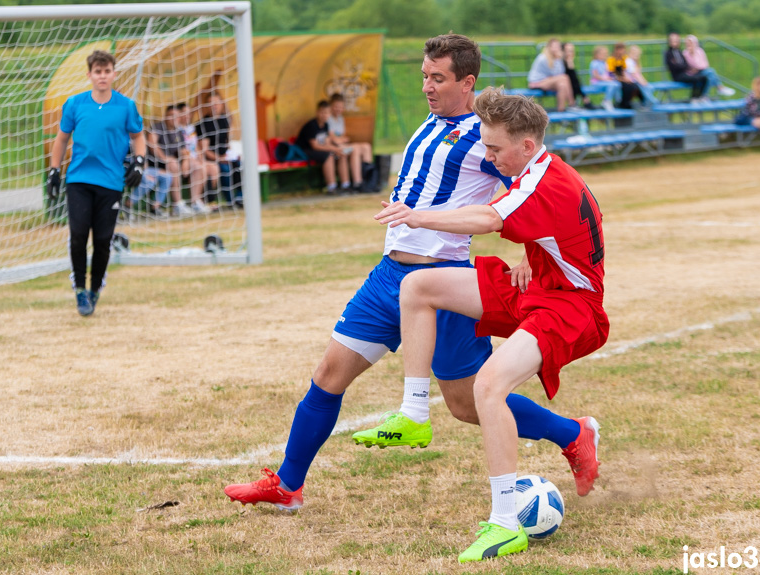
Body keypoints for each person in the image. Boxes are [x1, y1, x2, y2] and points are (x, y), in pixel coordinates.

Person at [223, 35, 587, 517]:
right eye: (424, 76)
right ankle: (288, 485)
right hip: (388, 276)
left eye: (438, 78)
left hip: (442, 285)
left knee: (464, 402)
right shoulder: (430, 121)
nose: (428, 86)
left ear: (467, 82)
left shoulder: (486, 135)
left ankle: (574, 434)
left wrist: (530, 254)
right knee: (329, 374)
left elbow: (528, 191)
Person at [372, 87, 608, 563]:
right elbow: (545, 223)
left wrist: (416, 217)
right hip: (540, 286)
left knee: (488, 385)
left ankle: (504, 523)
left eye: (494, 147)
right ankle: (415, 413)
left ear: (525, 145)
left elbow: (486, 217)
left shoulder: (546, 184)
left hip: (572, 309)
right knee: (418, 287)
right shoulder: (537, 168)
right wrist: (530, 252)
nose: (487, 154)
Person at [47, 49, 145, 316]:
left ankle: (95, 289)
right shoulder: (75, 104)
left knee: (102, 240)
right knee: (78, 236)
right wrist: (54, 170)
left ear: (114, 73)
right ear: (89, 75)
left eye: (107, 71)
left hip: (111, 182)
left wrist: (139, 161)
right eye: (97, 72)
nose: (102, 76)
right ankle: (80, 289)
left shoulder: (125, 106)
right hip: (79, 179)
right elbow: (61, 139)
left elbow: (138, 136)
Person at [296, 100, 362, 194]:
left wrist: (337, 150)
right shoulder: (311, 125)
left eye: (327, 113)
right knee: (329, 156)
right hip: (305, 151)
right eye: (322, 112)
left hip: (319, 150)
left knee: (341, 154)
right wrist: (334, 149)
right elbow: (315, 146)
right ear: (317, 112)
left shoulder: (326, 125)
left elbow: (326, 143)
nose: (324, 115)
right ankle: (331, 187)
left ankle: (345, 185)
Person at [197, 91, 242, 206]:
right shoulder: (203, 124)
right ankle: (229, 200)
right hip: (212, 158)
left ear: (221, 104)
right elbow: (204, 150)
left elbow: (227, 142)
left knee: (239, 165)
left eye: (216, 103)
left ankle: (240, 197)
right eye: (211, 103)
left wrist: (232, 154)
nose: (214, 106)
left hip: (225, 155)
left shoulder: (225, 120)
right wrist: (219, 158)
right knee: (225, 169)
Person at [148, 105, 194, 218]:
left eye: (176, 116)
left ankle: (196, 202)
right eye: (171, 115)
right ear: (165, 116)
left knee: (198, 165)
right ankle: (178, 204)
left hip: (173, 162)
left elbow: (184, 150)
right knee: (173, 164)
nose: (174, 118)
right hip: (155, 162)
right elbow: (152, 144)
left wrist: (186, 161)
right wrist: (165, 158)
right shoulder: (157, 127)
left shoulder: (179, 131)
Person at [327, 92, 377, 193]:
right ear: (331, 106)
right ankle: (357, 182)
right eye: (336, 106)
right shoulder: (328, 119)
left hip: (343, 146)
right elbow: (334, 139)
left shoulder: (340, 119)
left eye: (341, 107)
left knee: (366, 146)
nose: (338, 109)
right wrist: (341, 139)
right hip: (336, 149)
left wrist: (341, 139)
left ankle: (369, 180)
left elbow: (342, 137)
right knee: (356, 148)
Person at [176, 102, 218, 213]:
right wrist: (191, 159)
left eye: (189, 113)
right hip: (184, 160)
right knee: (200, 168)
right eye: (184, 113)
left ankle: (208, 200)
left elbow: (196, 146)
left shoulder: (191, 128)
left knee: (213, 168)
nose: (187, 116)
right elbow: (181, 149)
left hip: (194, 158)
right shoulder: (177, 130)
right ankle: (195, 201)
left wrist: (200, 157)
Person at [526, 38, 573, 112]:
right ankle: (572, 103)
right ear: (549, 47)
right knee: (565, 77)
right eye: (555, 46)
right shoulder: (543, 58)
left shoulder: (556, 59)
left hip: (548, 81)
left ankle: (561, 110)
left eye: (558, 46)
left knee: (562, 85)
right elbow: (556, 74)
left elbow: (560, 72)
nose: (557, 48)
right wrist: (559, 58)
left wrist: (559, 59)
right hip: (537, 82)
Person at [663, 33, 708, 102]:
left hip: (685, 73)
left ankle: (701, 96)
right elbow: (674, 67)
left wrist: (688, 68)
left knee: (704, 78)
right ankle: (694, 98)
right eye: (674, 40)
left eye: (677, 40)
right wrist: (682, 66)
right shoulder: (668, 53)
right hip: (677, 76)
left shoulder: (679, 51)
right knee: (695, 79)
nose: (676, 42)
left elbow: (684, 64)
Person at [607, 42, 643, 109]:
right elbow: (611, 74)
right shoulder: (611, 59)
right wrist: (623, 79)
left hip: (622, 77)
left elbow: (624, 70)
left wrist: (626, 78)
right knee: (626, 86)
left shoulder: (623, 58)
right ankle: (623, 103)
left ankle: (638, 102)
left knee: (634, 86)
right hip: (614, 79)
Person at [562, 42, 596, 110]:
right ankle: (584, 99)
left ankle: (580, 100)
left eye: (571, 51)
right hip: (561, 85)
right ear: (563, 51)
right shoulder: (560, 62)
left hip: (570, 86)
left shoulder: (569, 61)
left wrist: (570, 62)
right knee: (573, 79)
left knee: (574, 79)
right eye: (568, 51)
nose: (570, 53)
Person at [589, 45, 621, 111]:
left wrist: (613, 77)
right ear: (597, 54)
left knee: (617, 84)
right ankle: (606, 101)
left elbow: (609, 73)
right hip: (597, 83)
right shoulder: (594, 63)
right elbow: (595, 75)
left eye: (606, 54)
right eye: (603, 54)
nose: (605, 55)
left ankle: (618, 101)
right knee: (612, 85)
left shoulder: (605, 63)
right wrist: (606, 79)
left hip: (605, 82)